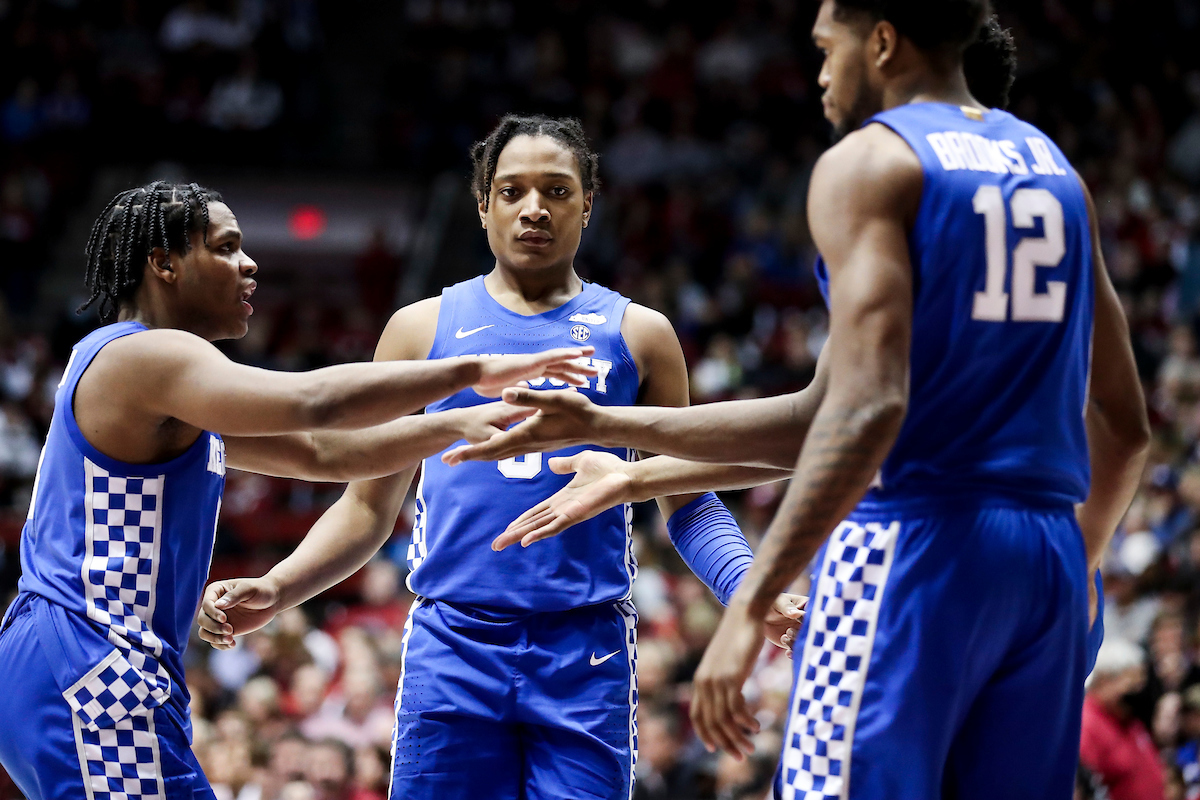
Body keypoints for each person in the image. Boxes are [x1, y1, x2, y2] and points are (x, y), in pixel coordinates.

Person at [445, 2, 1150, 797]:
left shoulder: (869, 164)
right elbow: (1125, 430)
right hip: (1052, 555)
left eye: (826, 48)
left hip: (914, 539)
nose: (819, 73)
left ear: (881, 41)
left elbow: (853, 414)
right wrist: (1062, 563)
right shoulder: (1058, 172)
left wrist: (748, 605)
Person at [196, 117, 804, 800]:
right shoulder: (420, 328)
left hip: (586, 647)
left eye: (556, 190)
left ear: (588, 204)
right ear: (482, 205)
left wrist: (747, 586)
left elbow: (688, 496)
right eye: (512, 191)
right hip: (452, 642)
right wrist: (279, 588)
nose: (534, 208)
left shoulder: (641, 334)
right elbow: (368, 506)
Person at [0, 180, 598, 800]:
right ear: (164, 264)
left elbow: (321, 454)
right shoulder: (147, 355)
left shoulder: (161, 386)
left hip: (76, 657)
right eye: (226, 247)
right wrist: (474, 368)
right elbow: (313, 403)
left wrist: (454, 422)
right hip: (90, 654)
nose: (249, 263)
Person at [1080, 638, 1166, 800]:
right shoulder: (1089, 725)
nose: (1139, 691)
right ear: (1104, 681)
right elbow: (1084, 788)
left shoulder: (1128, 718)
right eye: (1133, 682)